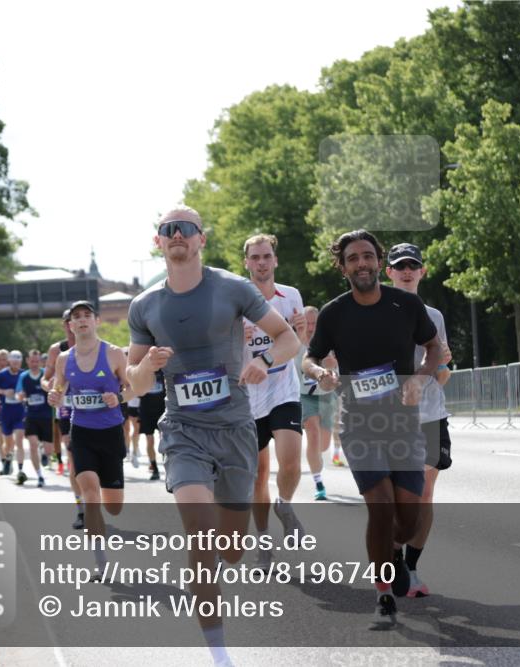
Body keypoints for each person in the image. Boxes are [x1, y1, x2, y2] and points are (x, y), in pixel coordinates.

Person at [126, 207, 299, 667]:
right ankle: (219, 653)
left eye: (186, 228)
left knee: (230, 548)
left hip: (236, 429)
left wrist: (263, 363)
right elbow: (135, 382)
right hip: (183, 430)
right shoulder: (144, 305)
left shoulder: (233, 288)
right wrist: (147, 367)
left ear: (202, 238)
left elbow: (288, 339)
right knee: (200, 536)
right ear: (159, 242)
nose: (177, 234)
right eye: (168, 229)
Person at [302, 229, 442, 630]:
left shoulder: (405, 305)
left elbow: (433, 348)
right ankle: (383, 593)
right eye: (352, 258)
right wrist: (321, 373)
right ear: (342, 267)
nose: (361, 263)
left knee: (408, 522)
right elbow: (309, 359)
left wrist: (419, 378)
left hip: (403, 423)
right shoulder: (334, 313)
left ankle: (395, 552)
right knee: (380, 509)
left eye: (367, 256)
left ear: (378, 261)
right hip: (360, 423)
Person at [385, 242, 453, 598]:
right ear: (390, 273)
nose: (407, 271)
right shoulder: (374, 315)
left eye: (413, 265)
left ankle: (410, 568)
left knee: (424, 494)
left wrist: (440, 368)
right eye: (400, 266)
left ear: (422, 272)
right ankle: (393, 556)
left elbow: (443, 375)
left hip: (430, 415)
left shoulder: (435, 317)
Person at [48, 300, 134, 572]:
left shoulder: (114, 353)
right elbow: (58, 390)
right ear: (71, 325)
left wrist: (118, 397)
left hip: (110, 433)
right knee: (90, 494)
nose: (82, 320)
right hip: (82, 432)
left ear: (97, 321)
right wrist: (55, 396)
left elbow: (132, 389)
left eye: (87, 315)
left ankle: (105, 526)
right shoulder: (64, 359)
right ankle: (100, 562)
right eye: (77, 317)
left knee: (114, 507)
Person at [241, 233, 308, 565]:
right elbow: (223, 352)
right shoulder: (236, 300)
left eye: (266, 256)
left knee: (292, 460)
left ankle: (285, 502)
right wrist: (234, 337)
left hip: (283, 389)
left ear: (275, 260)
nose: (261, 263)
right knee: (258, 474)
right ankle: (263, 541)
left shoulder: (290, 295)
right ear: (246, 263)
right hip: (248, 399)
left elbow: (299, 344)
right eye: (255, 258)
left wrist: (300, 332)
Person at [44, 309, 84, 527]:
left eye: (79, 319)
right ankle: (81, 510)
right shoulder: (57, 350)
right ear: (65, 325)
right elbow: (45, 379)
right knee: (74, 460)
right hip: (67, 410)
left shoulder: (98, 346)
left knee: (94, 462)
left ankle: (94, 500)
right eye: (70, 321)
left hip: (93, 411)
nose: (75, 324)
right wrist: (50, 388)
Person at [296, 307, 339, 500]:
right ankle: (318, 483)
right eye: (308, 323)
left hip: (326, 395)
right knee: (312, 433)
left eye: (315, 323)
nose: (312, 327)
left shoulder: (328, 339)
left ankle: (316, 459)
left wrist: (333, 365)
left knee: (323, 444)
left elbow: (340, 365)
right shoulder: (294, 341)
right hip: (303, 395)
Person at [16, 349, 52, 487]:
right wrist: (20, 396)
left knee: (49, 450)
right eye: (32, 361)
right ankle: (39, 475)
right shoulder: (24, 376)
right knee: (32, 445)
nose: (35, 364)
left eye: (37, 361)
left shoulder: (46, 374)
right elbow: (19, 393)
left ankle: (45, 453)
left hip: (47, 415)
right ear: (27, 361)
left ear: (40, 362)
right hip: (31, 415)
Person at [0, 350, 27, 481]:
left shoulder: (24, 374)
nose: (16, 363)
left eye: (18, 361)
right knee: (8, 443)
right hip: (6, 413)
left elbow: (32, 389)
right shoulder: (2, 375)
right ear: (9, 361)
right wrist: (4, 391)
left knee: (19, 440)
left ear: (21, 362)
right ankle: (8, 458)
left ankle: (21, 470)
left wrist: (24, 395)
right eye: (14, 361)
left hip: (20, 412)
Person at [137, 369, 166, 481]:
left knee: (164, 440)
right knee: (150, 440)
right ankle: (154, 468)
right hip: (146, 411)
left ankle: (167, 466)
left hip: (162, 410)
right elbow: (136, 391)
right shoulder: (143, 370)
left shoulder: (163, 370)